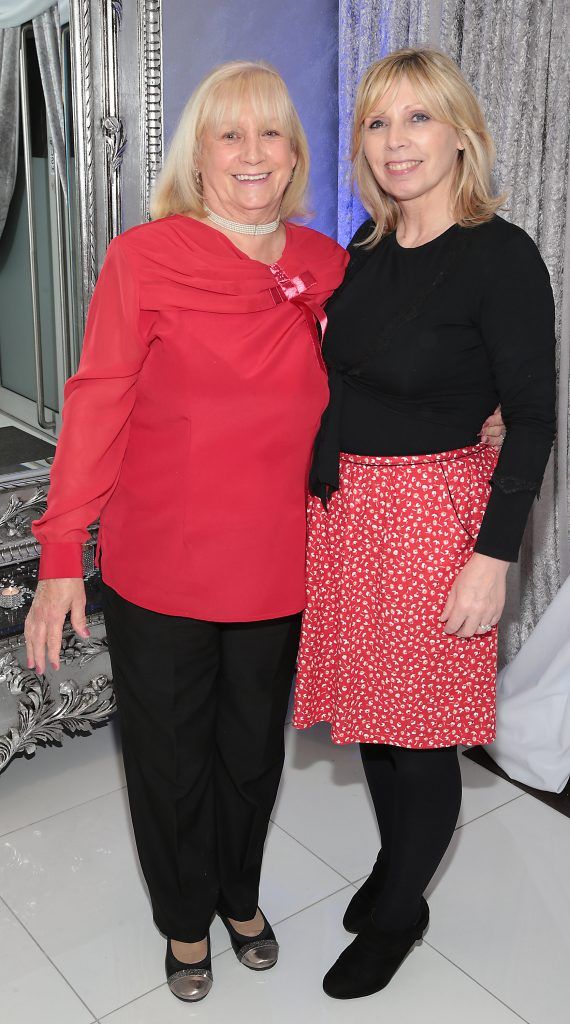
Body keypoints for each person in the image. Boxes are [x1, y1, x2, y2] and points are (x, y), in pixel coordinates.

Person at [24, 60, 349, 1003]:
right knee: (169, 758)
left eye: (272, 134)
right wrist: (59, 557)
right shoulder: (145, 257)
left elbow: (392, 375)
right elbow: (97, 404)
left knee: (251, 752)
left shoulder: (327, 265)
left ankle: (240, 896)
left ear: (294, 155)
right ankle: (182, 920)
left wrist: (480, 415)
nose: (253, 154)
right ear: (199, 155)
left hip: (276, 566)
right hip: (158, 563)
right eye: (230, 134)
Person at [293, 47, 556, 1001]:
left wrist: (493, 557)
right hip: (351, 518)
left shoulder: (501, 255)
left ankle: (403, 911)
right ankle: (393, 865)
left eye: (417, 119)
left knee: (422, 735)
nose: (396, 142)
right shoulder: (362, 250)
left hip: (435, 522)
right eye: (377, 122)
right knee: (376, 717)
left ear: (459, 134)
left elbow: (532, 416)